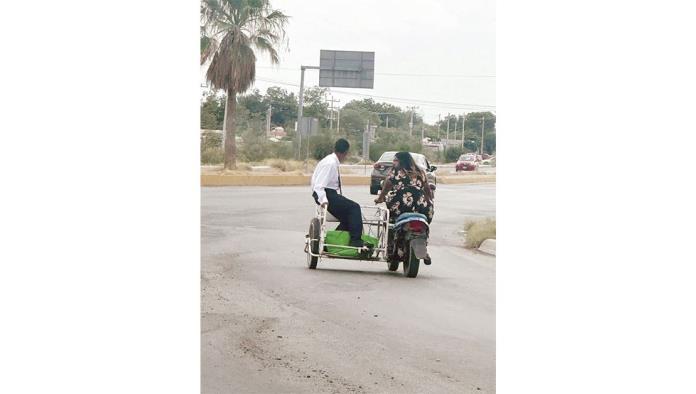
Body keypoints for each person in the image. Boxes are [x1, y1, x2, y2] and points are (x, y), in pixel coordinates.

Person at [311, 138, 365, 248]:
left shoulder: (331, 161)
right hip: (326, 194)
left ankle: (331, 243)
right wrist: (324, 200)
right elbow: (319, 185)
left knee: (348, 218)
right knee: (354, 208)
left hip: (329, 193)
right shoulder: (330, 163)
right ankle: (356, 241)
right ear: (346, 153)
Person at [374, 151, 434, 223]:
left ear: (402, 161)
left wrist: (380, 198)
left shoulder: (396, 171)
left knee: (389, 220)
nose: (393, 162)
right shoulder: (420, 172)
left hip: (401, 206)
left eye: (396, 160)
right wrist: (430, 201)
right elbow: (427, 189)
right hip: (420, 206)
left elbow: (387, 185)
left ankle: (391, 231)